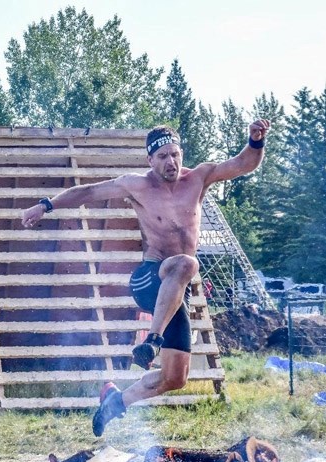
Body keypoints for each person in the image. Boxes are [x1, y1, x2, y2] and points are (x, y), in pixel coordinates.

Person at [21, 119, 271, 436]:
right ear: (149, 161)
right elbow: (88, 192)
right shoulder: (136, 185)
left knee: (175, 377)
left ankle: (116, 401)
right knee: (186, 264)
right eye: (163, 157)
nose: (171, 162)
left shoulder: (199, 178)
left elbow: (243, 164)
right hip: (148, 278)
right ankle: (151, 341)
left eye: (175, 155)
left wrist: (255, 141)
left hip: (175, 291)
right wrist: (46, 205)